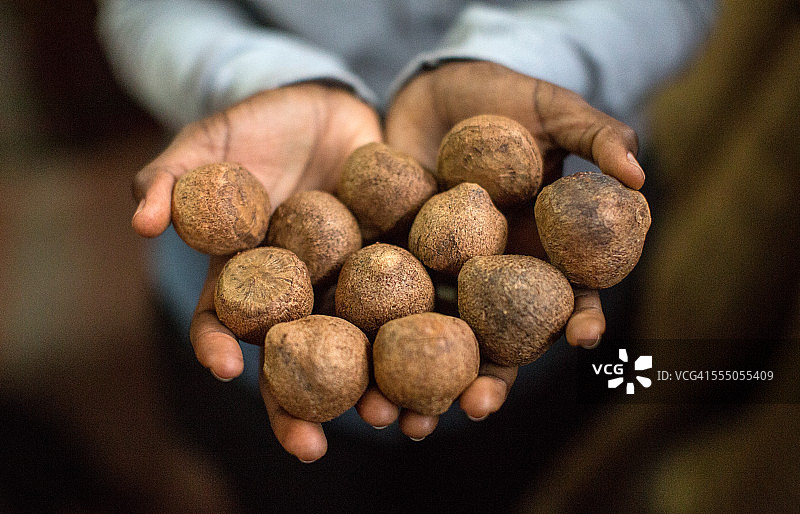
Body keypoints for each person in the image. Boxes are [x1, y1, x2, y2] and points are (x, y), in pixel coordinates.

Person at [96, 0, 716, 466]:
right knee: (266, 471)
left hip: (555, 208)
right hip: (266, 191)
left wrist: (522, 66)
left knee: (556, 459)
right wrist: (257, 79)